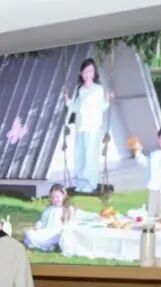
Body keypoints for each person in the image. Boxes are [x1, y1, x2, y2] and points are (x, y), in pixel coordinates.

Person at [64, 59, 112, 194]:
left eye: (90, 71)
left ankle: (90, 183)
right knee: (80, 156)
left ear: (94, 72)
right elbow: (75, 108)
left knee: (91, 156)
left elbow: (102, 107)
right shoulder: (79, 89)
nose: (88, 74)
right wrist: (67, 101)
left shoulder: (98, 89)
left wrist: (107, 99)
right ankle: (80, 183)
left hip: (93, 127)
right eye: (85, 71)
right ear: (81, 73)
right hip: (81, 127)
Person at [23, 184, 73, 252]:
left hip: (58, 233)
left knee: (65, 236)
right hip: (47, 232)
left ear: (63, 196)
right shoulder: (49, 209)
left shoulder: (67, 209)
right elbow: (43, 221)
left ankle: (53, 245)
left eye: (57, 197)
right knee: (29, 234)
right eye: (53, 197)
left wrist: (64, 230)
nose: (55, 199)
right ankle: (50, 245)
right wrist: (39, 224)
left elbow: (69, 224)